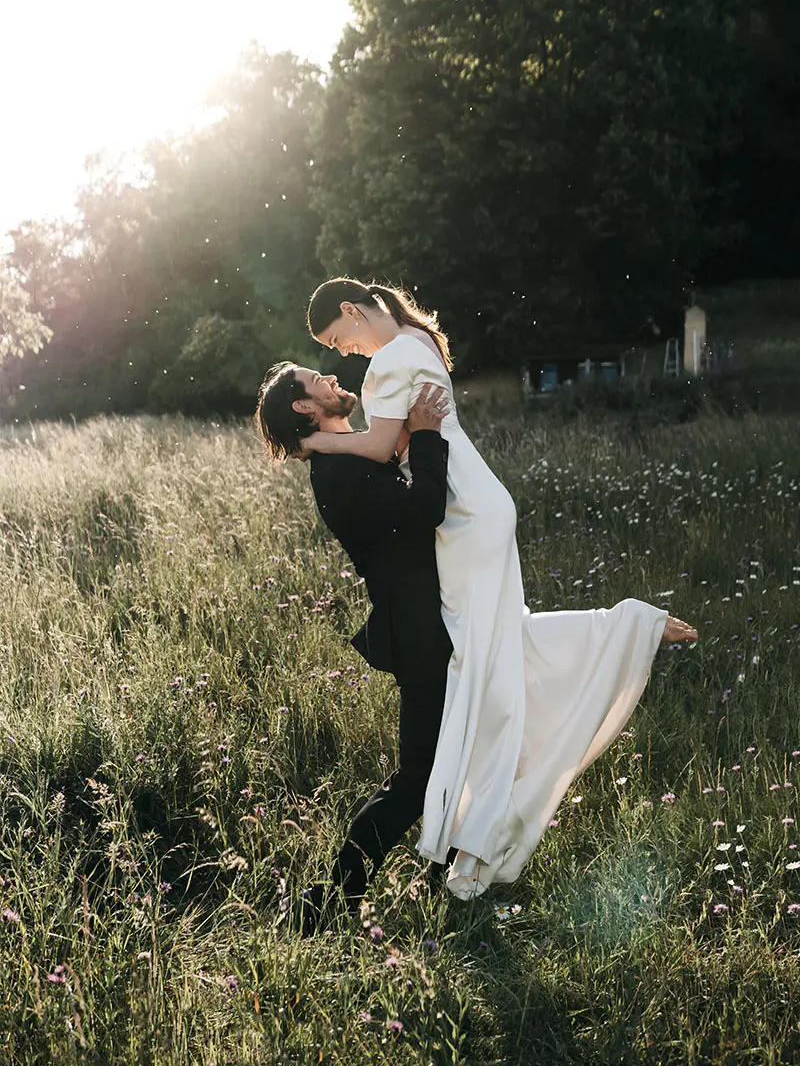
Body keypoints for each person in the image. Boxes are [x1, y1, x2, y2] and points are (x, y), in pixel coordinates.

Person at [301, 277, 698, 900]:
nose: (345, 353)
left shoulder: (390, 358)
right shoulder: (416, 341)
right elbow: (406, 440)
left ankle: (466, 829)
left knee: (480, 666)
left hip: (459, 513)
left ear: (352, 311)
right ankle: (627, 629)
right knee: (496, 652)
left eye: (338, 336)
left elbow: (381, 447)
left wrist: (314, 440)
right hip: (481, 502)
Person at [255, 363, 457, 932]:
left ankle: (450, 874)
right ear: (303, 407)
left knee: (459, 752)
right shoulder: (337, 472)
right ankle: (327, 901)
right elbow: (426, 511)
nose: (328, 377)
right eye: (313, 378)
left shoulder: (351, 454)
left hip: (438, 619)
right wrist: (426, 436)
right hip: (419, 630)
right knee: (416, 776)